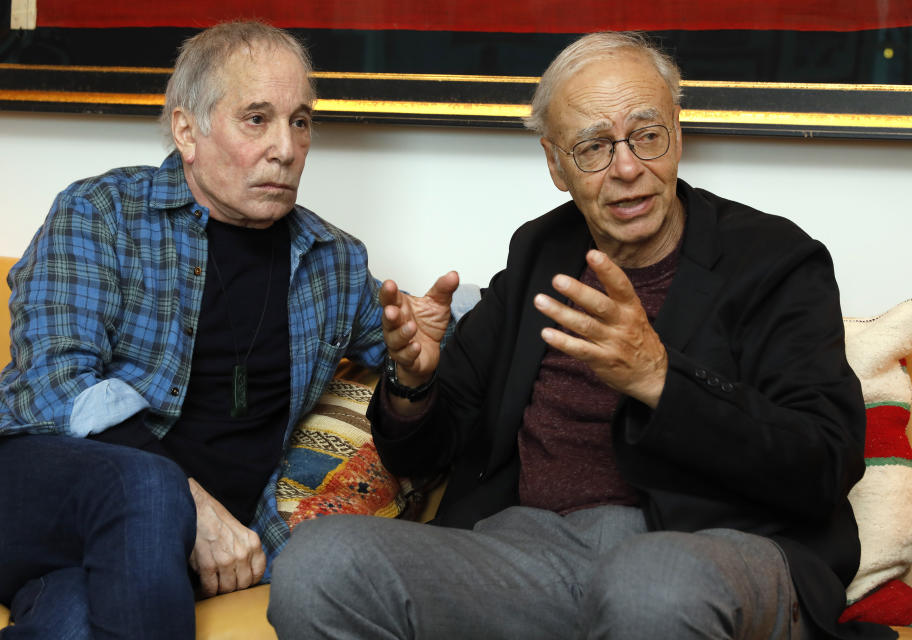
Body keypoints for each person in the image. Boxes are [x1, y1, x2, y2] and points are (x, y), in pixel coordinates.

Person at [267, 32, 890, 640]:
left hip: (709, 551)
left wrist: (658, 378)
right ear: (555, 164)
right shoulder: (542, 251)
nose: (627, 167)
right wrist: (413, 383)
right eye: (593, 146)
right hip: (532, 553)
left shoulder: (773, 259)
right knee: (321, 563)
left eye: (647, 135)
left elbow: (824, 462)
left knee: (649, 584)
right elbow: (425, 453)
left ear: (678, 131)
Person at [0, 21, 391, 638]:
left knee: (73, 620)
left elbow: (419, 350)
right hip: (16, 496)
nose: (286, 148)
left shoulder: (332, 260)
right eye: (257, 118)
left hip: (149, 560)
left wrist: (426, 350)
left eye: (300, 121)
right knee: (150, 483)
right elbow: (58, 378)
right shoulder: (101, 212)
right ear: (188, 130)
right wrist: (194, 508)